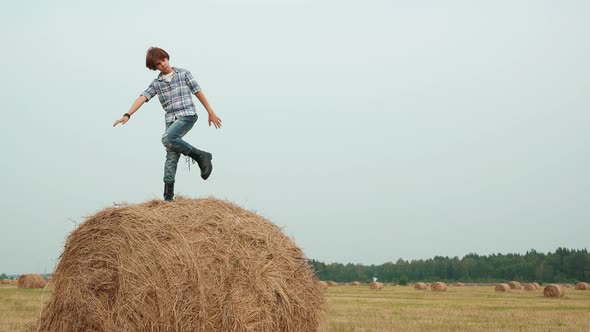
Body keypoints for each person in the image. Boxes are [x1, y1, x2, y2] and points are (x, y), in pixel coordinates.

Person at [113, 47, 222, 201]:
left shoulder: (183, 74)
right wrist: (127, 114)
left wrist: (210, 112)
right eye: (158, 64)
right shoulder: (156, 83)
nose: (162, 64)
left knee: (167, 139)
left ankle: (200, 156)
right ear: (154, 67)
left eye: (163, 60)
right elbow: (142, 97)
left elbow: (198, 91)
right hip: (171, 120)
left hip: (187, 115)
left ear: (167, 58)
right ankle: (168, 198)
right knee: (171, 156)